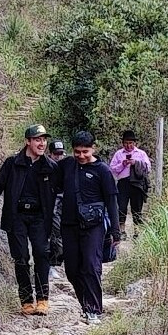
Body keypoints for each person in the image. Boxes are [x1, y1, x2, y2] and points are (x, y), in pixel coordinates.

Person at [0, 124, 57, 316]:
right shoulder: (12, 163)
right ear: (28, 141)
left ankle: (43, 300)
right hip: (16, 216)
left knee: (41, 253)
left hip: (40, 217)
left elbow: (63, 190)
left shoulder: (50, 167)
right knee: (21, 258)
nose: (42, 144)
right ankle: (26, 301)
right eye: (38, 140)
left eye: (44, 140)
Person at [53, 131, 120, 324]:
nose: (81, 155)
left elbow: (111, 201)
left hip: (94, 226)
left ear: (93, 149)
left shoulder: (102, 171)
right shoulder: (66, 165)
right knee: (72, 269)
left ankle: (94, 309)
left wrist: (115, 231)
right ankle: (85, 304)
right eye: (77, 152)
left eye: (85, 152)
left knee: (91, 265)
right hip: (69, 225)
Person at [109, 129, 152, 239]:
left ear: (135, 143)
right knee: (121, 207)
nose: (128, 145)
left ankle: (137, 232)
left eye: (131, 143)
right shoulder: (119, 154)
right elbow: (112, 169)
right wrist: (122, 164)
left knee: (137, 208)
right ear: (123, 143)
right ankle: (122, 231)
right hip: (123, 184)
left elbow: (148, 168)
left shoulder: (141, 154)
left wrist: (136, 163)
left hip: (137, 184)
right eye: (126, 143)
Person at [47, 139, 66, 278]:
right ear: (50, 154)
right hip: (49, 206)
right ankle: (50, 265)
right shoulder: (45, 166)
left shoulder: (68, 167)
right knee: (52, 236)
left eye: (60, 154)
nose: (58, 157)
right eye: (56, 154)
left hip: (64, 205)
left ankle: (55, 264)